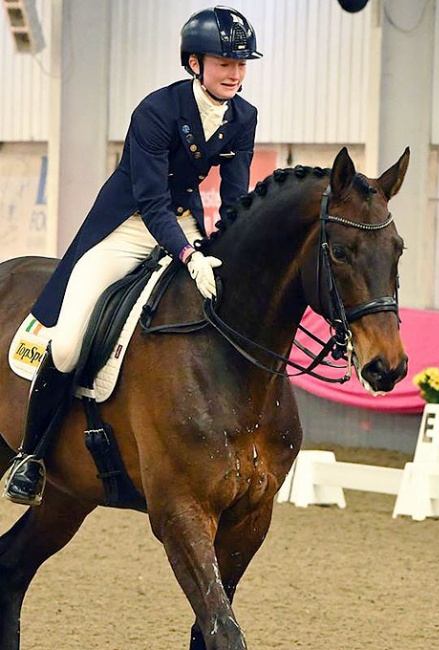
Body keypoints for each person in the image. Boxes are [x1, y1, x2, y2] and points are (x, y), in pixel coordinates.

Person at [3, 5, 262, 506]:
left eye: (241, 64)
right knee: (68, 343)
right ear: (194, 63)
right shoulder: (156, 112)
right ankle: (30, 458)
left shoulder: (243, 118)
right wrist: (188, 255)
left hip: (186, 227)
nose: (234, 74)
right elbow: (149, 198)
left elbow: (234, 200)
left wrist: (229, 249)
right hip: (124, 231)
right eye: (223, 63)